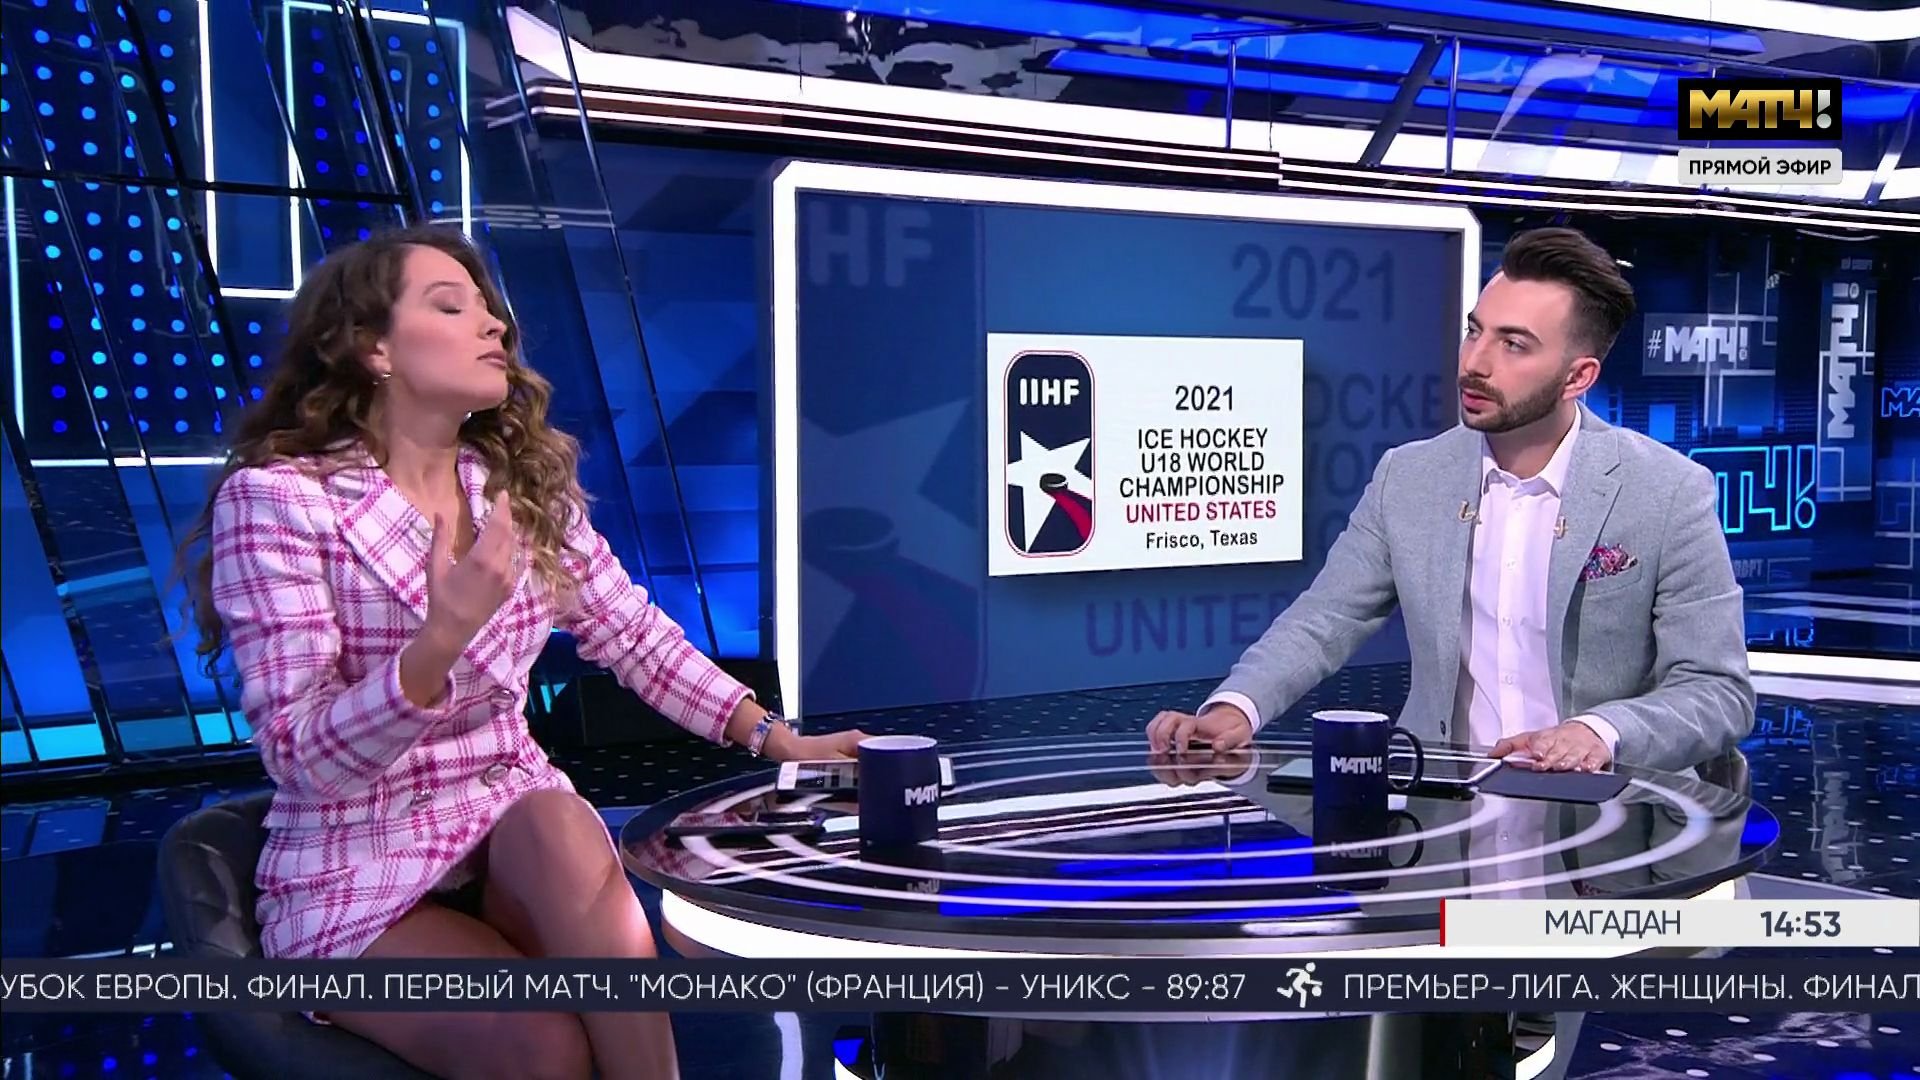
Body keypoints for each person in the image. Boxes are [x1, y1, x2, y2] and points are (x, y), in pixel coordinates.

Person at [181, 225, 865, 1080]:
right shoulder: (282, 500)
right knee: (543, 1050)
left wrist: (778, 738)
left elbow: (634, 635)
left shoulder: (518, 488)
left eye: (488, 306)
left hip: (510, 828)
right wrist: (439, 640)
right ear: (372, 348)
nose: (494, 324)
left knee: (557, 819)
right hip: (360, 861)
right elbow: (303, 757)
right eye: (450, 306)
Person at [1146, 227, 1754, 775]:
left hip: (1615, 816)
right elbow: (1326, 618)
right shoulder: (1409, 478)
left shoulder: (1668, 491)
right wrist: (1237, 708)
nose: (1475, 363)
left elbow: (1718, 692)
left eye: (1514, 345)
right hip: (1445, 805)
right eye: (1474, 331)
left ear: (1578, 377)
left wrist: (1600, 732)